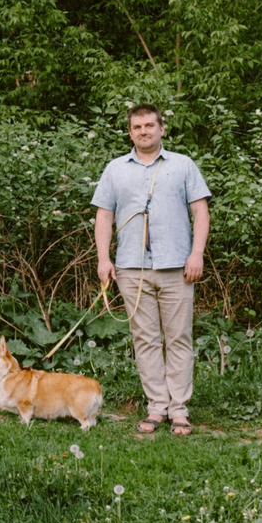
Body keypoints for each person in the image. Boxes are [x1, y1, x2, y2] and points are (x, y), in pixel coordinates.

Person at [91, 104, 211, 436]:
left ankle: (179, 409)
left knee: (179, 338)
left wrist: (196, 254)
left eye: (149, 125)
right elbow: (104, 216)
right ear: (130, 133)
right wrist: (104, 259)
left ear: (161, 129)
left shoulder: (183, 165)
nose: (143, 131)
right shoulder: (115, 169)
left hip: (177, 266)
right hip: (131, 268)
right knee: (144, 339)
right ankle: (157, 406)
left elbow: (201, 212)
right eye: (137, 127)